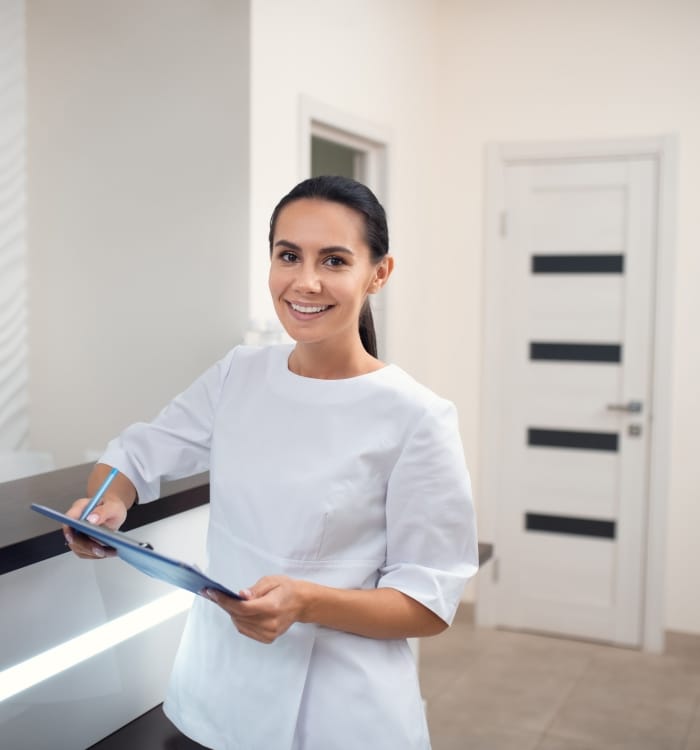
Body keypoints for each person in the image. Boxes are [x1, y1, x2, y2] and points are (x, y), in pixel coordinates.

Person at [64, 175, 478, 750]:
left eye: (334, 260)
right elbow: (137, 451)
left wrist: (308, 602)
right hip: (211, 696)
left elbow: (428, 603)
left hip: (338, 718)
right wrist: (107, 502)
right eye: (289, 256)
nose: (304, 281)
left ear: (378, 274)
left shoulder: (417, 417)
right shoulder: (240, 373)